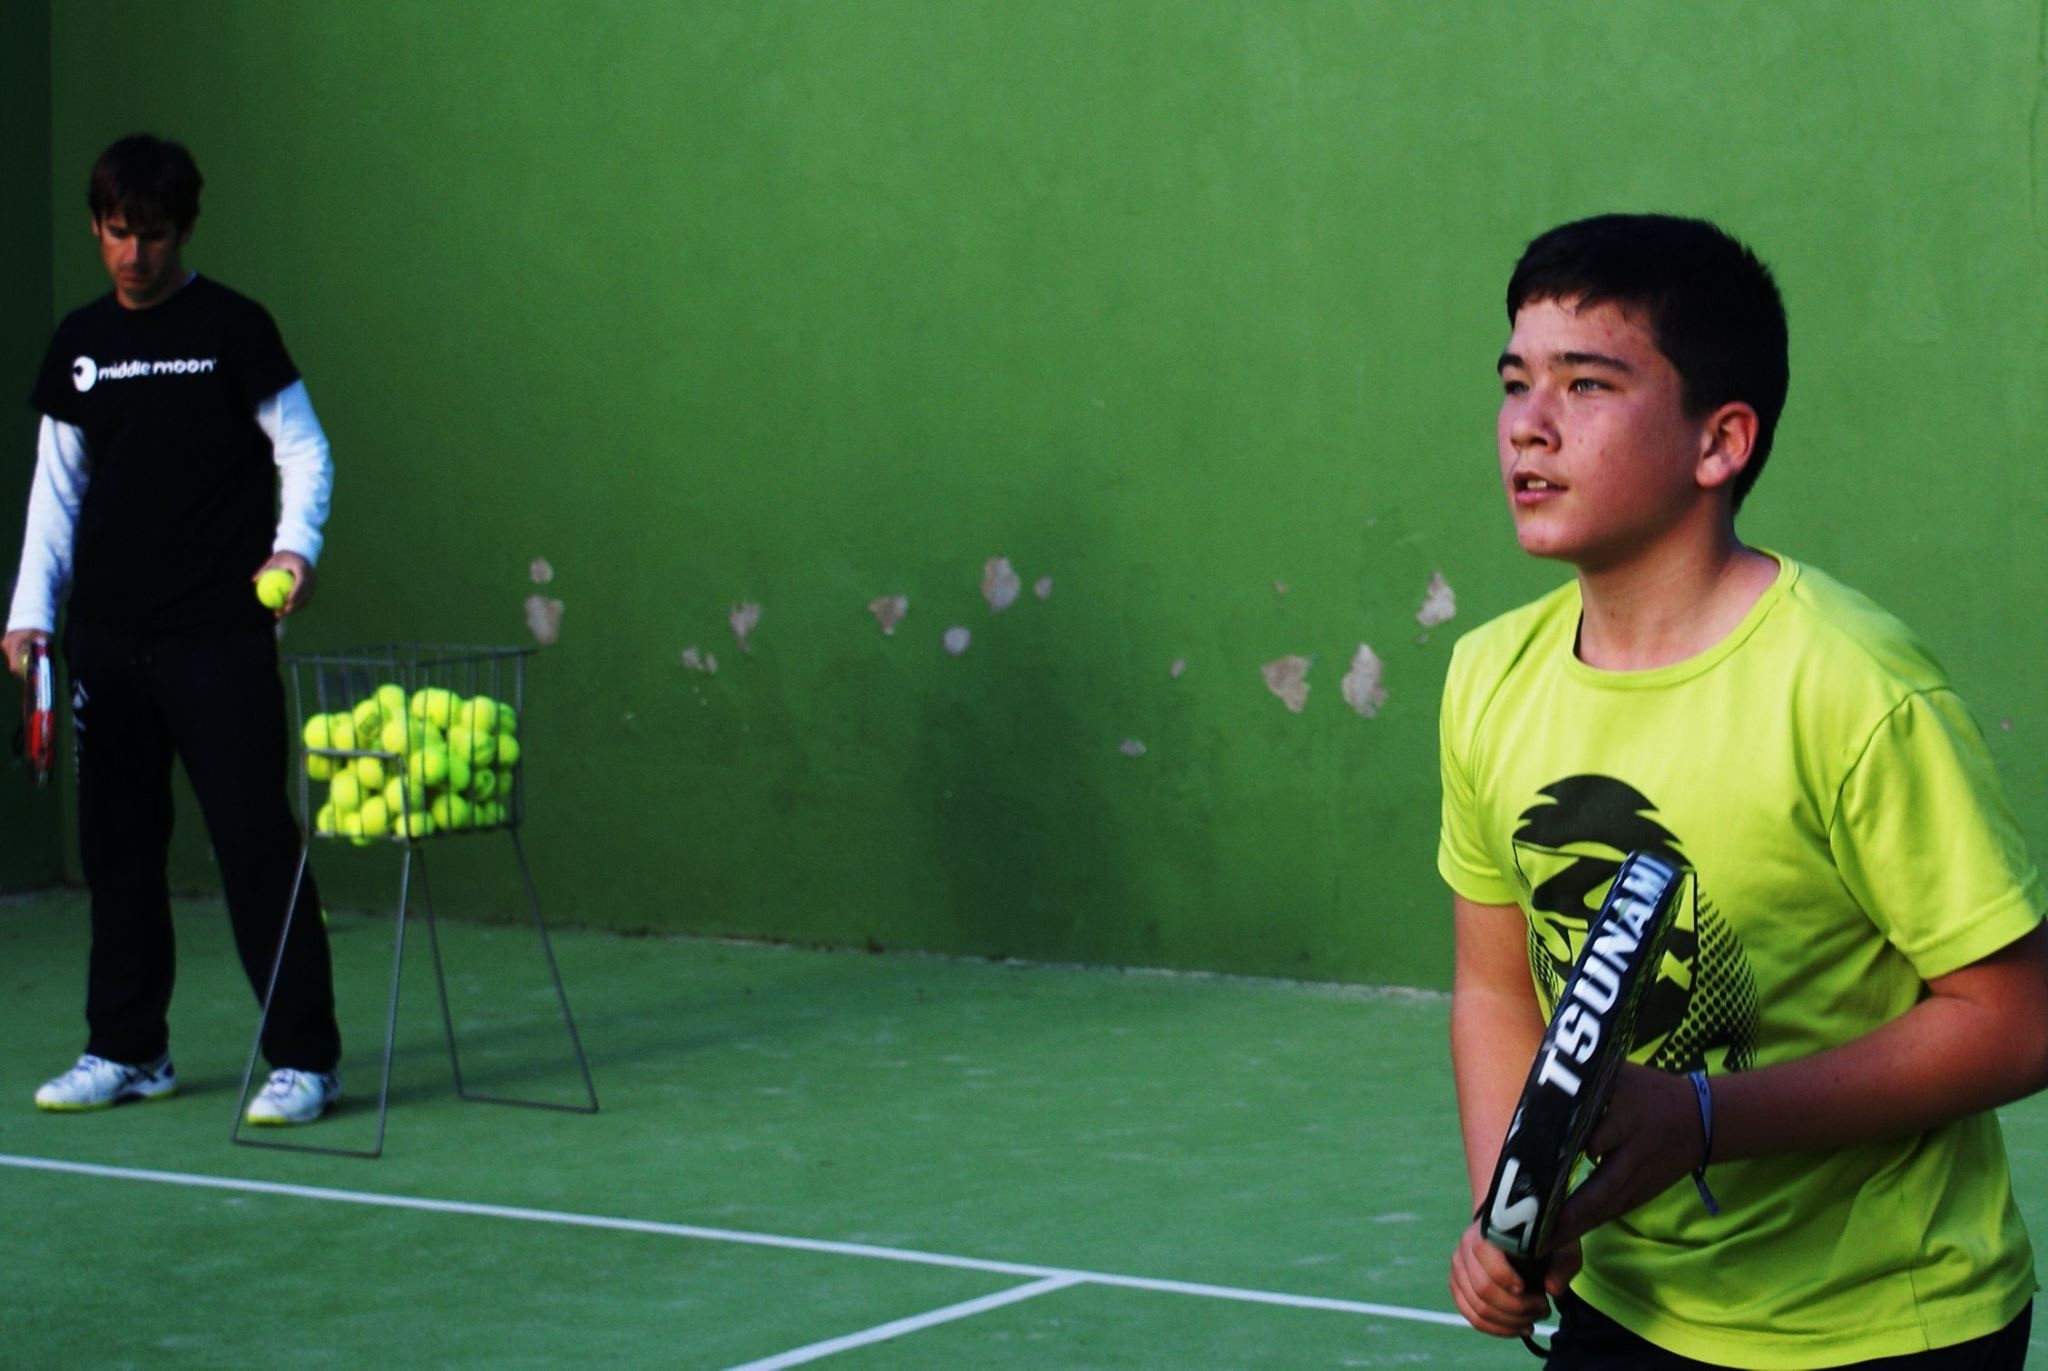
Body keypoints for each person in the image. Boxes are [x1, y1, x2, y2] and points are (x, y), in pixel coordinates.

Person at [1438, 213, 2048, 1367]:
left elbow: (2017, 1021)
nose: (1527, 422)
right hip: (1625, 1308)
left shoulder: (1853, 691)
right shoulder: (1486, 678)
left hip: (1885, 1327)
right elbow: (1493, 986)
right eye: (1514, 382)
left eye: (1585, 384)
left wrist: (1704, 1119)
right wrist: (1508, 1206)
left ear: (1718, 442)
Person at [4, 134, 343, 1127]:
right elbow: (55, 494)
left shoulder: (234, 328)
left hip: (218, 640)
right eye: (117, 233)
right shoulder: (79, 342)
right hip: (106, 644)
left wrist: (295, 548)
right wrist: (30, 615)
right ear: (96, 228)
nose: (133, 255)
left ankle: (304, 1059)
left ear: (184, 230)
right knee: (117, 852)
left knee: (254, 843)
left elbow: (304, 451)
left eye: (152, 235)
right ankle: (128, 1049)